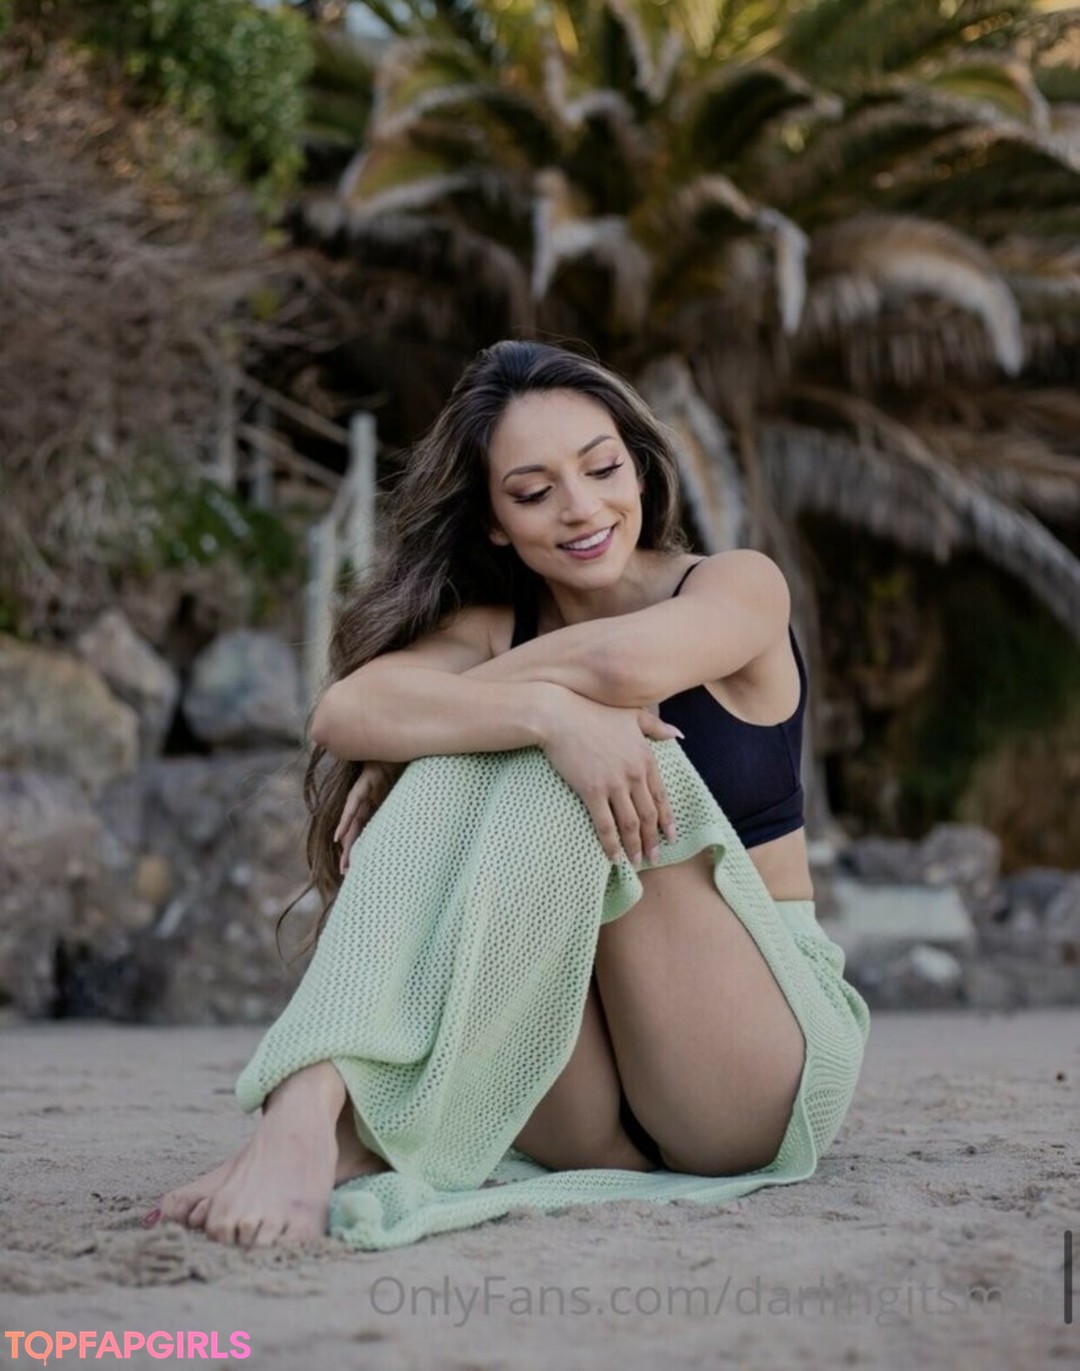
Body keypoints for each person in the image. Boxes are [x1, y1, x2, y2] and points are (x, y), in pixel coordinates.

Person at [147, 339, 828, 1248]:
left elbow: (622, 667)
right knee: (512, 742)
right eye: (534, 491)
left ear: (638, 467)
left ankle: (316, 1114)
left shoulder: (738, 586)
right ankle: (306, 1114)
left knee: (585, 739)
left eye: (602, 469)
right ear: (495, 521)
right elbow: (344, 712)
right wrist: (532, 715)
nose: (581, 507)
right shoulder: (491, 627)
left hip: (747, 1065)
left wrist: (469, 713)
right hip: (568, 1085)